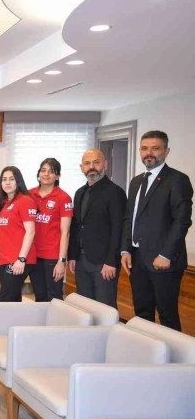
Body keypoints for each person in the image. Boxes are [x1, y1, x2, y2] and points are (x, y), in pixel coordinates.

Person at [121, 131, 193, 331]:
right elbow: (129, 218)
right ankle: (147, 349)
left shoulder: (177, 180)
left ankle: (173, 352)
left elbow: (182, 221)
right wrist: (125, 249)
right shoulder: (136, 181)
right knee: (142, 312)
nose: (149, 153)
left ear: (166, 151)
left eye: (155, 148)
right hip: (137, 259)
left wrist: (165, 254)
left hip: (163, 261)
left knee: (167, 314)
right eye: (144, 148)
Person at [68, 149, 126, 308]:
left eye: (96, 162)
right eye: (87, 163)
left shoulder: (115, 192)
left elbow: (118, 229)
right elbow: (76, 226)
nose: (91, 167)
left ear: (105, 165)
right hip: (81, 261)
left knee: (104, 308)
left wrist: (111, 261)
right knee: (84, 308)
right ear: (81, 167)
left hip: (103, 263)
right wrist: (72, 255)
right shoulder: (79, 193)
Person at [29, 158, 73, 302]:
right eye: (43, 170)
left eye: (51, 171)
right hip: (33, 254)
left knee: (54, 298)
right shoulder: (29, 195)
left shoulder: (63, 198)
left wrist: (61, 261)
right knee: (39, 296)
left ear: (57, 176)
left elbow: (65, 232)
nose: (46, 174)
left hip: (53, 256)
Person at [0, 166, 37, 302]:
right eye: (4, 179)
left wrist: (21, 259)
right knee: (13, 300)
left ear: (18, 181)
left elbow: (30, 231)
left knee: (6, 299)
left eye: (11, 179)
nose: (7, 182)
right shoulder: (4, 203)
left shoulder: (26, 201)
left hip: (18, 259)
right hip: (4, 259)